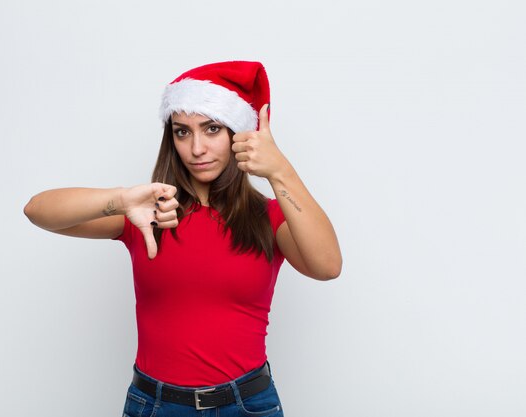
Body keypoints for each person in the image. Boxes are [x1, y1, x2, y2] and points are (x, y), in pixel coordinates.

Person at [24, 61, 342, 416]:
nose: (197, 149)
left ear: (238, 134)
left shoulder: (267, 218)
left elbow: (327, 266)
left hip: (247, 405)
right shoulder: (150, 213)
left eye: (211, 129)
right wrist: (121, 199)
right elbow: (38, 210)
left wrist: (280, 170)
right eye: (182, 132)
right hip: (156, 405)